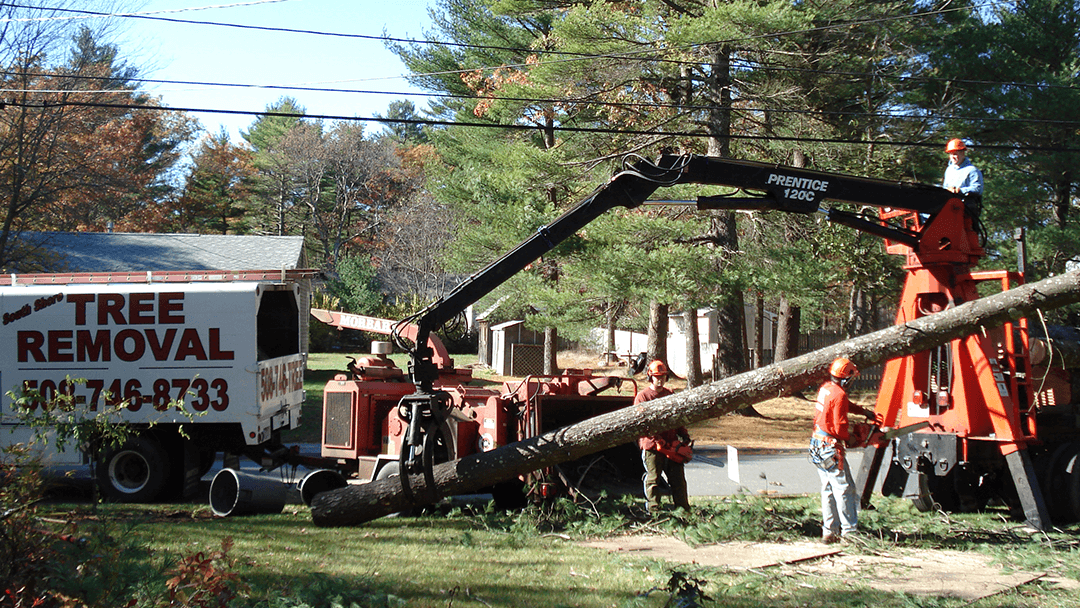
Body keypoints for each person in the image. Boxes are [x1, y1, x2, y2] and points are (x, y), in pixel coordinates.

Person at [809, 357, 875, 544]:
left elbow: (843, 405)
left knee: (828, 488)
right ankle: (850, 532)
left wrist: (863, 412)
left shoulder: (827, 388)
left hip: (817, 443)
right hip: (830, 446)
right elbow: (839, 429)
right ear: (846, 378)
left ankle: (829, 531)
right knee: (845, 489)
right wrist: (852, 438)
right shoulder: (840, 394)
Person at [636, 359, 691, 513]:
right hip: (653, 448)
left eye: (662, 376)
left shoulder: (670, 395)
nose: (659, 380)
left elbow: (677, 418)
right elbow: (641, 425)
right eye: (656, 376)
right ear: (650, 376)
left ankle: (683, 511)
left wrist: (684, 436)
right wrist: (656, 440)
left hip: (671, 446)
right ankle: (654, 512)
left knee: (678, 481)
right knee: (653, 479)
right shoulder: (643, 397)